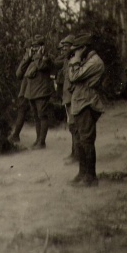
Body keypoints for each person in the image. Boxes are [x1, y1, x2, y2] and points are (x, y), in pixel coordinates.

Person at [67, 33, 105, 186]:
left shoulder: (95, 62)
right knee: (82, 141)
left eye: (77, 49)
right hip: (81, 103)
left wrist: (75, 60)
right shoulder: (87, 61)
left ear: (84, 48)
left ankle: (91, 177)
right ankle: (83, 173)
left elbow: (74, 76)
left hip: (87, 104)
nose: (75, 52)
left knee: (87, 141)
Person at [22, 35, 54, 149]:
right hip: (32, 92)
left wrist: (38, 55)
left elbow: (41, 66)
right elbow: (21, 72)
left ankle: (42, 142)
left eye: (37, 46)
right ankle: (38, 140)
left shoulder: (46, 57)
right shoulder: (33, 58)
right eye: (33, 46)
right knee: (36, 117)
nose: (34, 49)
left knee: (42, 116)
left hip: (41, 92)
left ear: (42, 47)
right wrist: (28, 57)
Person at [55, 34, 78, 164]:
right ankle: (74, 152)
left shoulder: (74, 60)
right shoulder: (67, 60)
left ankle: (77, 154)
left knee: (74, 126)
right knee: (72, 126)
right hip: (67, 98)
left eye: (66, 47)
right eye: (62, 48)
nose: (63, 50)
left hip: (73, 98)